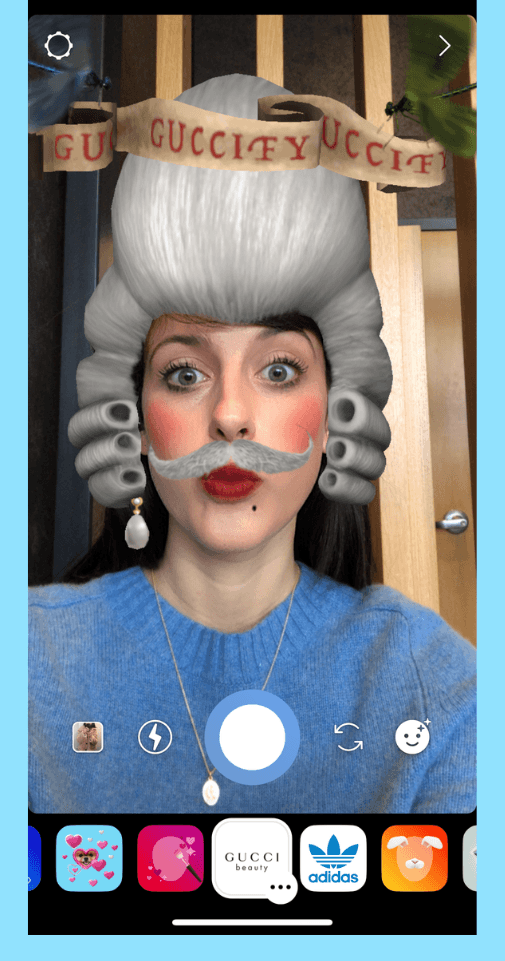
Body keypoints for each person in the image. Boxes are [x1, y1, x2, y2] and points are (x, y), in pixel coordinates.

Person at [29, 73, 476, 814]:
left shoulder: (438, 683)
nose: (231, 416)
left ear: (336, 413)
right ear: (131, 413)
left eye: (278, 370)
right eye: (184, 373)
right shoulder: (28, 661)